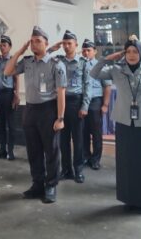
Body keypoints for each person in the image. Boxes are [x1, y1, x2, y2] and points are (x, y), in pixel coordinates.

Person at [90, 39, 141, 214]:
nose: (131, 55)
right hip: (124, 122)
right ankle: (129, 199)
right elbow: (94, 73)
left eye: (135, 51)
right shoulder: (117, 70)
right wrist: (107, 58)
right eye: (128, 51)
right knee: (126, 162)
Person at [4, 26, 66, 204]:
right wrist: (19, 52)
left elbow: (61, 92)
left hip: (48, 110)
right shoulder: (27, 62)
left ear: (46, 43)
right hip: (30, 110)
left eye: (38, 41)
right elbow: (7, 71)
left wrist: (60, 118)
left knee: (51, 150)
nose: (34, 44)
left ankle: (51, 185)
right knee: (33, 151)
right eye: (32, 41)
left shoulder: (56, 64)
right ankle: (37, 184)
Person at [49, 30, 90, 183]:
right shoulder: (58, 61)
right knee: (63, 139)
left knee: (78, 139)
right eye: (64, 43)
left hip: (76, 102)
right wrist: (52, 48)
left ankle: (78, 170)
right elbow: (43, 57)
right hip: (60, 102)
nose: (66, 46)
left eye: (69, 43)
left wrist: (85, 106)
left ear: (76, 45)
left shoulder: (83, 62)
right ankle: (66, 169)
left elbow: (87, 85)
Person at [81, 39, 112, 171]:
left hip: (95, 101)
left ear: (95, 51)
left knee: (96, 133)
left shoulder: (100, 66)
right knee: (83, 131)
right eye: (84, 51)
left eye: (88, 50)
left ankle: (95, 159)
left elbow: (107, 87)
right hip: (82, 102)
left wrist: (105, 104)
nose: (86, 53)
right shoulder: (80, 65)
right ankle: (85, 156)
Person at [0, 35, 21, 161]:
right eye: (1, 45)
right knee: (0, 124)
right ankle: (2, 149)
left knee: (11, 125)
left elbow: (16, 78)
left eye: (5, 45)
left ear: (10, 47)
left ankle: (10, 151)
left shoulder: (13, 60)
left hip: (9, 94)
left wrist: (16, 95)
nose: (2, 48)